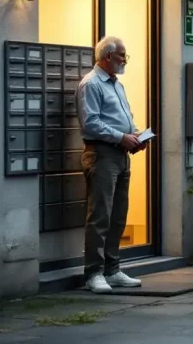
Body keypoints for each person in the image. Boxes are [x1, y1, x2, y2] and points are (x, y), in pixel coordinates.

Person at [76, 36, 147, 294]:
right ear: (107, 56)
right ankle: (94, 273)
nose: (124, 60)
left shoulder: (116, 84)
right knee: (100, 216)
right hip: (101, 154)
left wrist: (135, 135)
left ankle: (112, 269)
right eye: (121, 55)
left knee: (118, 215)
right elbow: (90, 123)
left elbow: (123, 118)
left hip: (120, 154)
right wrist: (121, 137)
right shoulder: (91, 84)